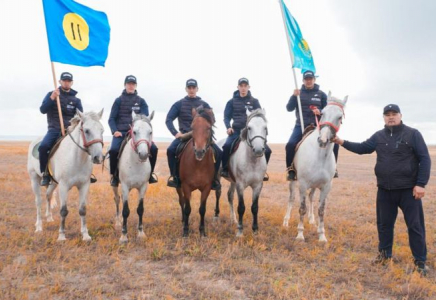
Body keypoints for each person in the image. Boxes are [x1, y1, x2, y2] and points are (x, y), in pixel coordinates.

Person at [333, 104, 431, 276]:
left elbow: (425, 159)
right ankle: (385, 256)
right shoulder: (379, 136)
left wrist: (421, 184)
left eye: (394, 114)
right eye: (387, 114)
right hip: (385, 190)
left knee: (415, 226)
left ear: (401, 115)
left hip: (409, 190)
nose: (391, 117)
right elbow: (362, 148)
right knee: (384, 225)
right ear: (384, 117)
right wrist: (342, 142)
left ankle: (420, 261)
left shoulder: (413, 134)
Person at [165, 79, 222, 189]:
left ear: (197, 89)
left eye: (193, 88)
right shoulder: (179, 104)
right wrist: (175, 133)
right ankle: (175, 177)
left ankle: (214, 179)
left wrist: (207, 131)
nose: (191, 90)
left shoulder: (204, 104)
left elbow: (212, 120)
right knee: (170, 150)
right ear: (186, 89)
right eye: (189, 88)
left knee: (219, 153)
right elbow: (168, 119)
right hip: (184, 136)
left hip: (202, 136)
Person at [285, 70, 339, 180]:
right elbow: (289, 108)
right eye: (306, 79)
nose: (308, 81)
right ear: (303, 80)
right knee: (290, 145)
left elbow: (327, 110)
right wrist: (293, 96)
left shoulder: (322, 94)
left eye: (310, 79)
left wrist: (320, 111)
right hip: (301, 125)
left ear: (314, 79)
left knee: (335, 143)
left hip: (319, 126)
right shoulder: (298, 93)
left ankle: (334, 168)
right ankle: (291, 169)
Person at [108, 75, 158, 186]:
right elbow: (111, 118)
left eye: (133, 84)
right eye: (129, 84)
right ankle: (114, 176)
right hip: (121, 132)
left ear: (135, 86)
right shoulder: (118, 100)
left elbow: (145, 119)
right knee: (113, 150)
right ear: (125, 85)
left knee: (154, 148)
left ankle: (150, 175)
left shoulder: (141, 101)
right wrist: (115, 131)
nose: (131, 86)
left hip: (138, 134)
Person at [221, 77, 271, 180]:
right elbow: (226, 117)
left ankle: (263, 171)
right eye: (241, 86)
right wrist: (228, 127)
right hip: (236, 131)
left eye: (245, 86)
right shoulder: (231, 102)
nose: (243, 88)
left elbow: (260, 116)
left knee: (268, 151)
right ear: (238, 87)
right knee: (226, 146)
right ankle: (225, 169)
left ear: (248, 87)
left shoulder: (254, 101)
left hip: (251, 132)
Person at [39, 72, 83, 186]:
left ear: (71, 83)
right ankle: (45, 174)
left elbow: (81, 117)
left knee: (84, 146)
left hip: (70, 131)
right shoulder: (51, 94)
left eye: (69, 81)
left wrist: (72, 126)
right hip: (54, 129)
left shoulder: (76, 100)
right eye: (64, 80)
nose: (66, 83)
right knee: (43, 147)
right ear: (60, 82)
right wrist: (52, 98)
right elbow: (43, 110)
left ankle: (86, 174)